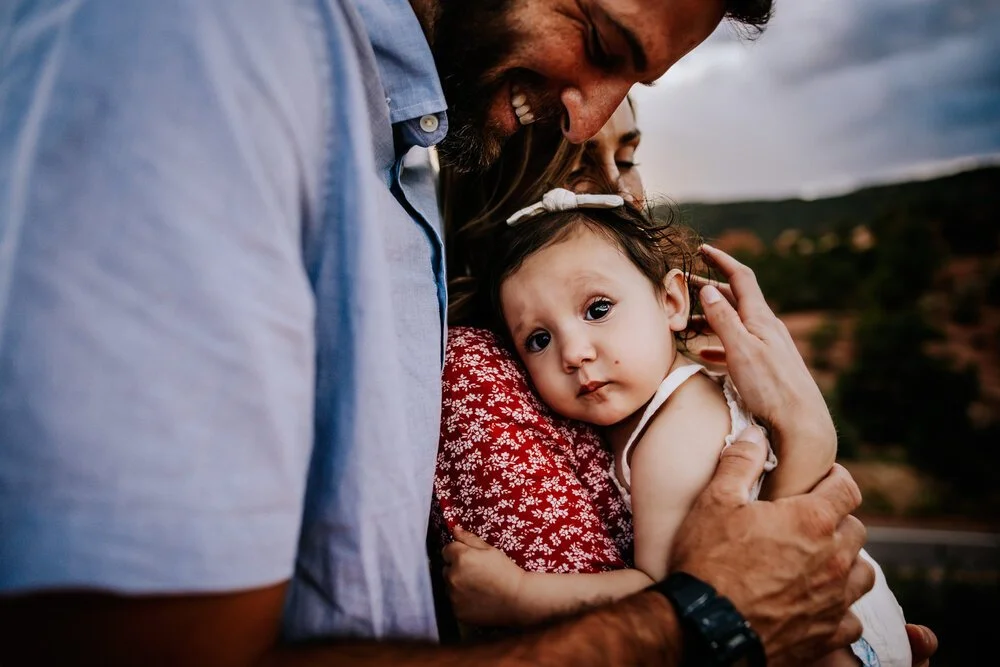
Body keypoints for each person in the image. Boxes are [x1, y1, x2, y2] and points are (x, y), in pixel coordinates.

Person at [0, 0, 935, 664]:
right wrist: (705, 627)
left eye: (631, 88)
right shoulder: (207, 44)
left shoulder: (398, 147)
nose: (586, 118)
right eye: (600, 41)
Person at [433, 98, 939, 664]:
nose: (574, 352)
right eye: (539, 340)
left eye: (598, 309)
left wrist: (521, 597)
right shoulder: (492, 373)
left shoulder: (674, 429)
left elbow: (676, 594)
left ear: (672, 299)